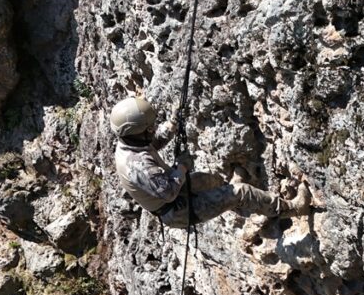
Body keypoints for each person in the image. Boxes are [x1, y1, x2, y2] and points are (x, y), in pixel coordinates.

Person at [110, 96, 310, 228]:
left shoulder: (132, 142)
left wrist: (172, 122)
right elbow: (168, 192)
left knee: (210, 180)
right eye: (149, 128)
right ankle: (289, 209)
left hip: (173, 195)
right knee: (240, 191)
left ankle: (241, 202)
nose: (153, 130)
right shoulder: (136, 165)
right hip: (177, 211)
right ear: (137, 131)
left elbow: (153, 143)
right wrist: (182, 166)